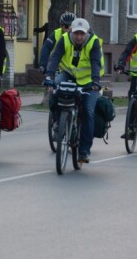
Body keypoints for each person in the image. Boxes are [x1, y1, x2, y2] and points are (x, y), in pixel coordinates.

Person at [43, 18, 103, 163]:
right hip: (69, 73)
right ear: (71, 31)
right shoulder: (64, 39)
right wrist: (49, 76)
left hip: (89, 80)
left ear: (87, 33)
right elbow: (55, 58)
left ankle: (84, 152)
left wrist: (96, 82)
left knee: (88, 111)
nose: (79, 37)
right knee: (55, 87)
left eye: (82, 34)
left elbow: (95, 63)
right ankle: (58, 121)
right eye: (76, 33)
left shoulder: (93, 42)